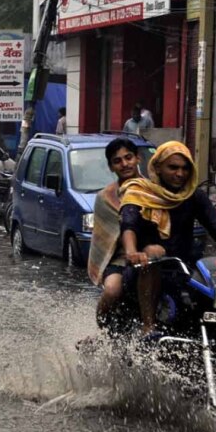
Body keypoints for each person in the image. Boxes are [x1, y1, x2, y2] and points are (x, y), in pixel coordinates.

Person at [120, 141, 216, 335]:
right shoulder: (139, 192)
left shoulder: (194, 196)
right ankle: (149, 326)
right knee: (154, 254)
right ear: (158, 168)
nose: (180, 174)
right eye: (173, 167)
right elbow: (129, 225)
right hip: (144, 269)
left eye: (185, 168)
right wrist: (133, 253)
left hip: (185, 269)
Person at [86, 137, 150, 327]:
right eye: (117, 161)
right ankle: (102, 331)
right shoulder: (104, 198)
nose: (124, 164)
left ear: (138, 158)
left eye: (128, 157)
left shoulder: (155, 191)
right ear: (111, 167)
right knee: (113, 290)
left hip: (152, 256)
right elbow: (105, 239)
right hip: (120, 259)